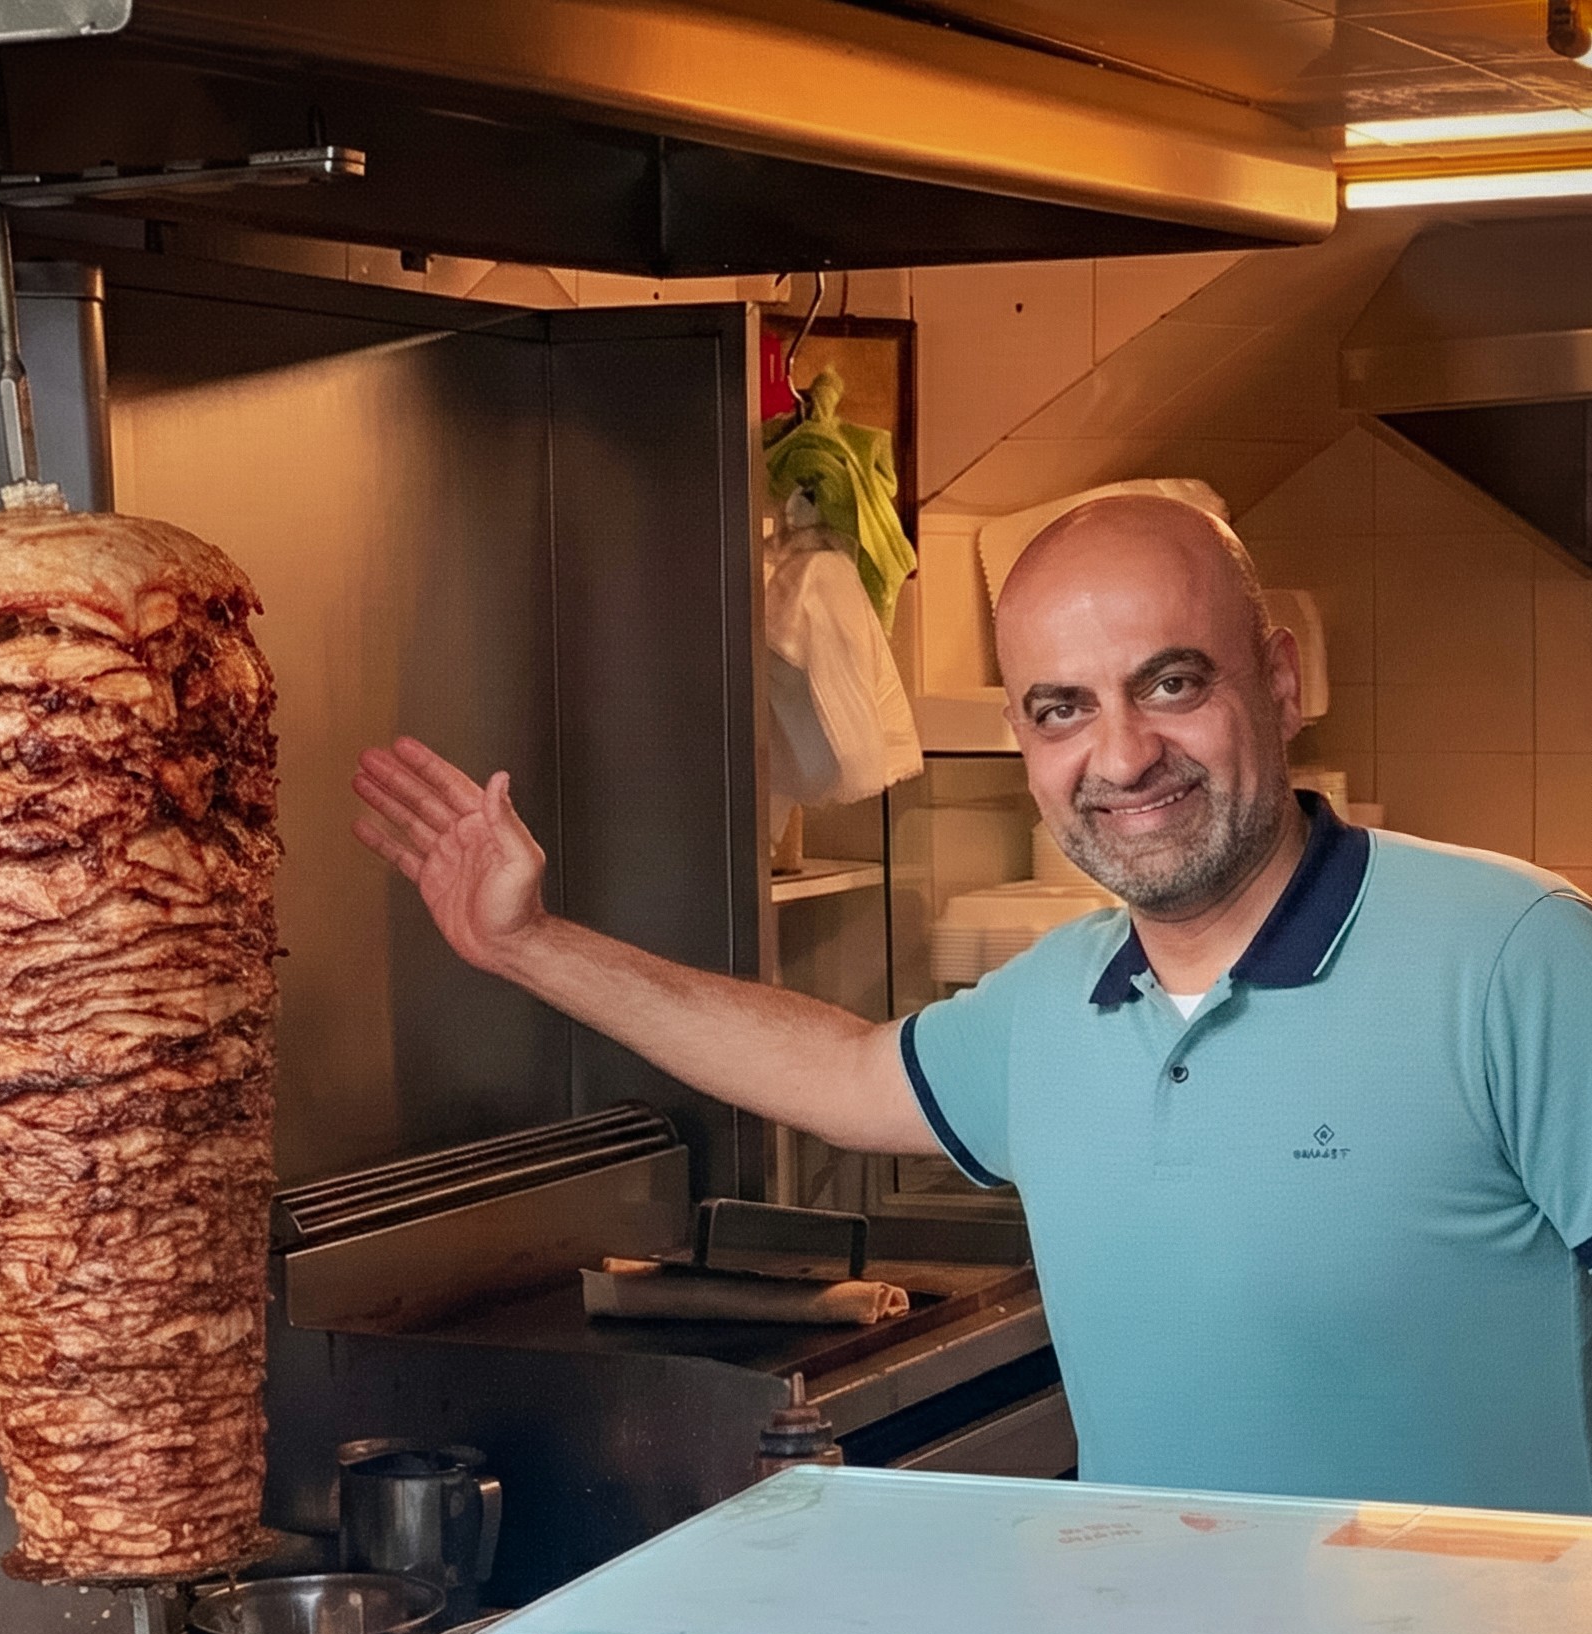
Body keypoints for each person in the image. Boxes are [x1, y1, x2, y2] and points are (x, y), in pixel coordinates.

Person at [353, 494, 1592, 1516]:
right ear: (1019, 734)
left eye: (1168, 683)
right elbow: (839, 1073)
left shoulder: (1515, 960)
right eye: (1062, 708)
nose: (1117, 758)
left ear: (1275, 679)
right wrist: (526, 944)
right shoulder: (1058, 1000)